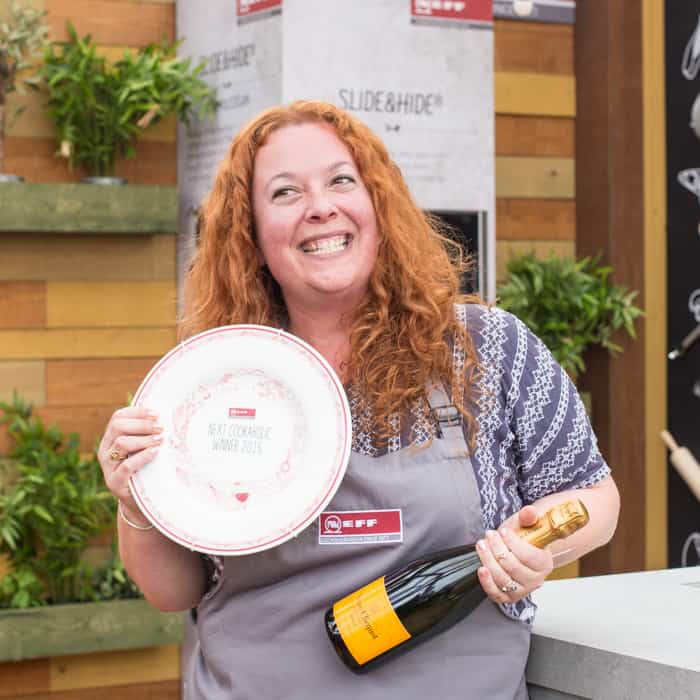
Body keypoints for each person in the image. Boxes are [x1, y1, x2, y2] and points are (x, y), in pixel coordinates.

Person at [97, 100, 620, 699]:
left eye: (341, 180)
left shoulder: (485, 348)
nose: (320, 206)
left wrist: (540, 550)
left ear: (378, 204)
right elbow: (175, 591)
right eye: (286, 192)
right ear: (250, 231)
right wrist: (134, 497)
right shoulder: (216, 378)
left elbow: (595, 497)